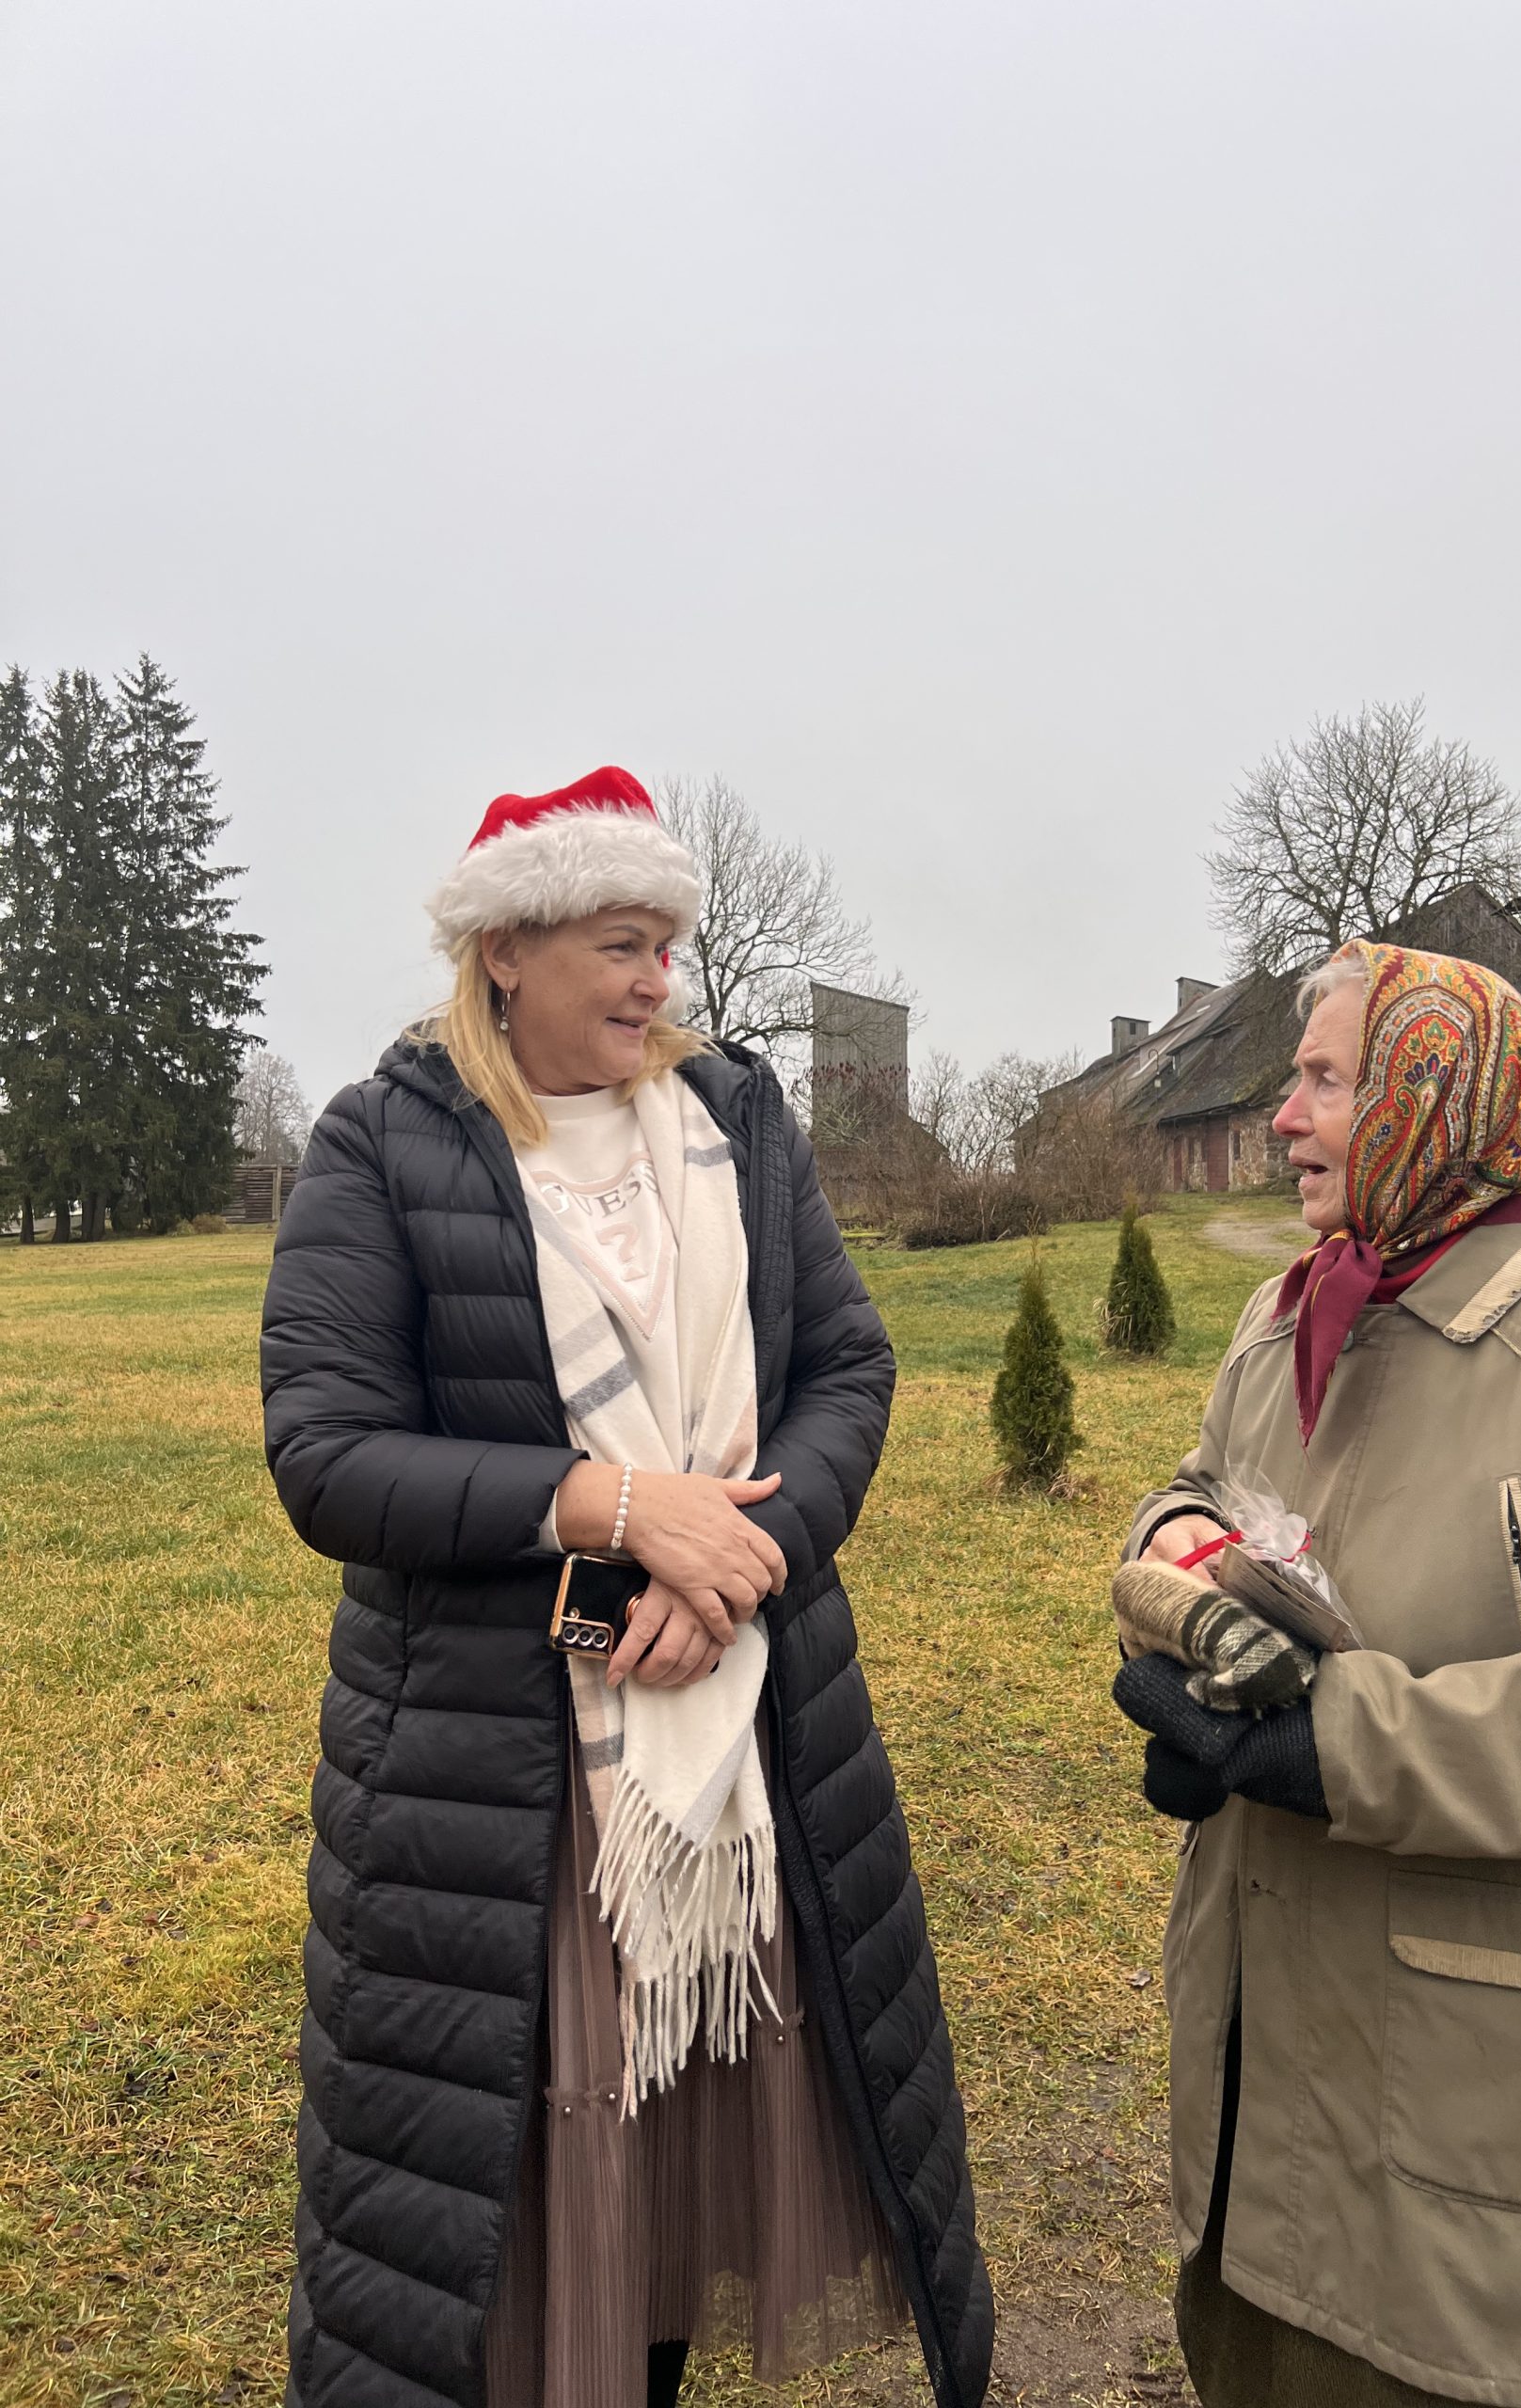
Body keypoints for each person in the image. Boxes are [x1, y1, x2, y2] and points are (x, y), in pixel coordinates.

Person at [261, 767, 992, 2408]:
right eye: (621, 945)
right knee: (524, 2204)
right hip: (503, 1791)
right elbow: (326, 1456)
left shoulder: (738, 1123)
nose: (661, 982)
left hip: (747, 1747)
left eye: (667, 946)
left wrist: (744, 1560)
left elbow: (848, 1370)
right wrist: (614, 1505)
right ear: (505, 951)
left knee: (669, 2174)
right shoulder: (380, 1141)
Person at [1111, 940, 1521, 2408]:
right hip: (1256, 2110)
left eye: (1324, 1079)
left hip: (1472, 2161)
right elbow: (1202, 1490)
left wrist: (1332, 1744)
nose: (1283, 1115)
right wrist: (1175, 1588)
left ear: (1436, 1098)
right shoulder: (1291, 1320)